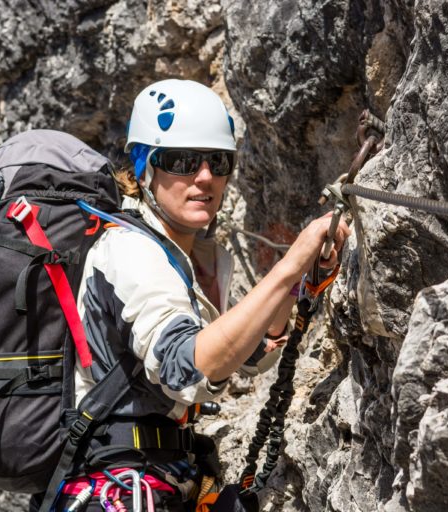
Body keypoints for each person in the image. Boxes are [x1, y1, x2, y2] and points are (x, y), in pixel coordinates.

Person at [49, 79, 350, 511]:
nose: (204, 176)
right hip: (120, 487)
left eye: (218, 161)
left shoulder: (192, 257)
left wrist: (299, 279)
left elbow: (246, 356)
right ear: (144, 168)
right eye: (182, 160)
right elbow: (188, 368)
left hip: (155, 478)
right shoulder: (130, 251)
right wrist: (288, 267)